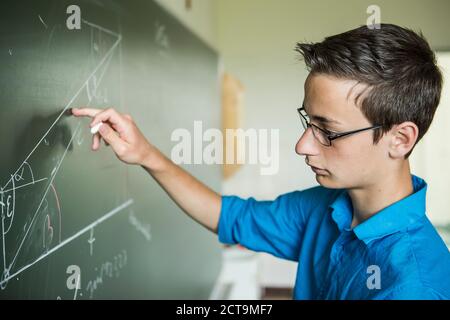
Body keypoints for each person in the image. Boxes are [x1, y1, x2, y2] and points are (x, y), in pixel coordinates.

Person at [72, 23, 450, 300]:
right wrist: (145, 154)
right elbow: (230, 217)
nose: (303, 146)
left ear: (399, 139)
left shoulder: (414, 286)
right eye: (308, 121)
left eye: (327, 130)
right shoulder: (326, 208)